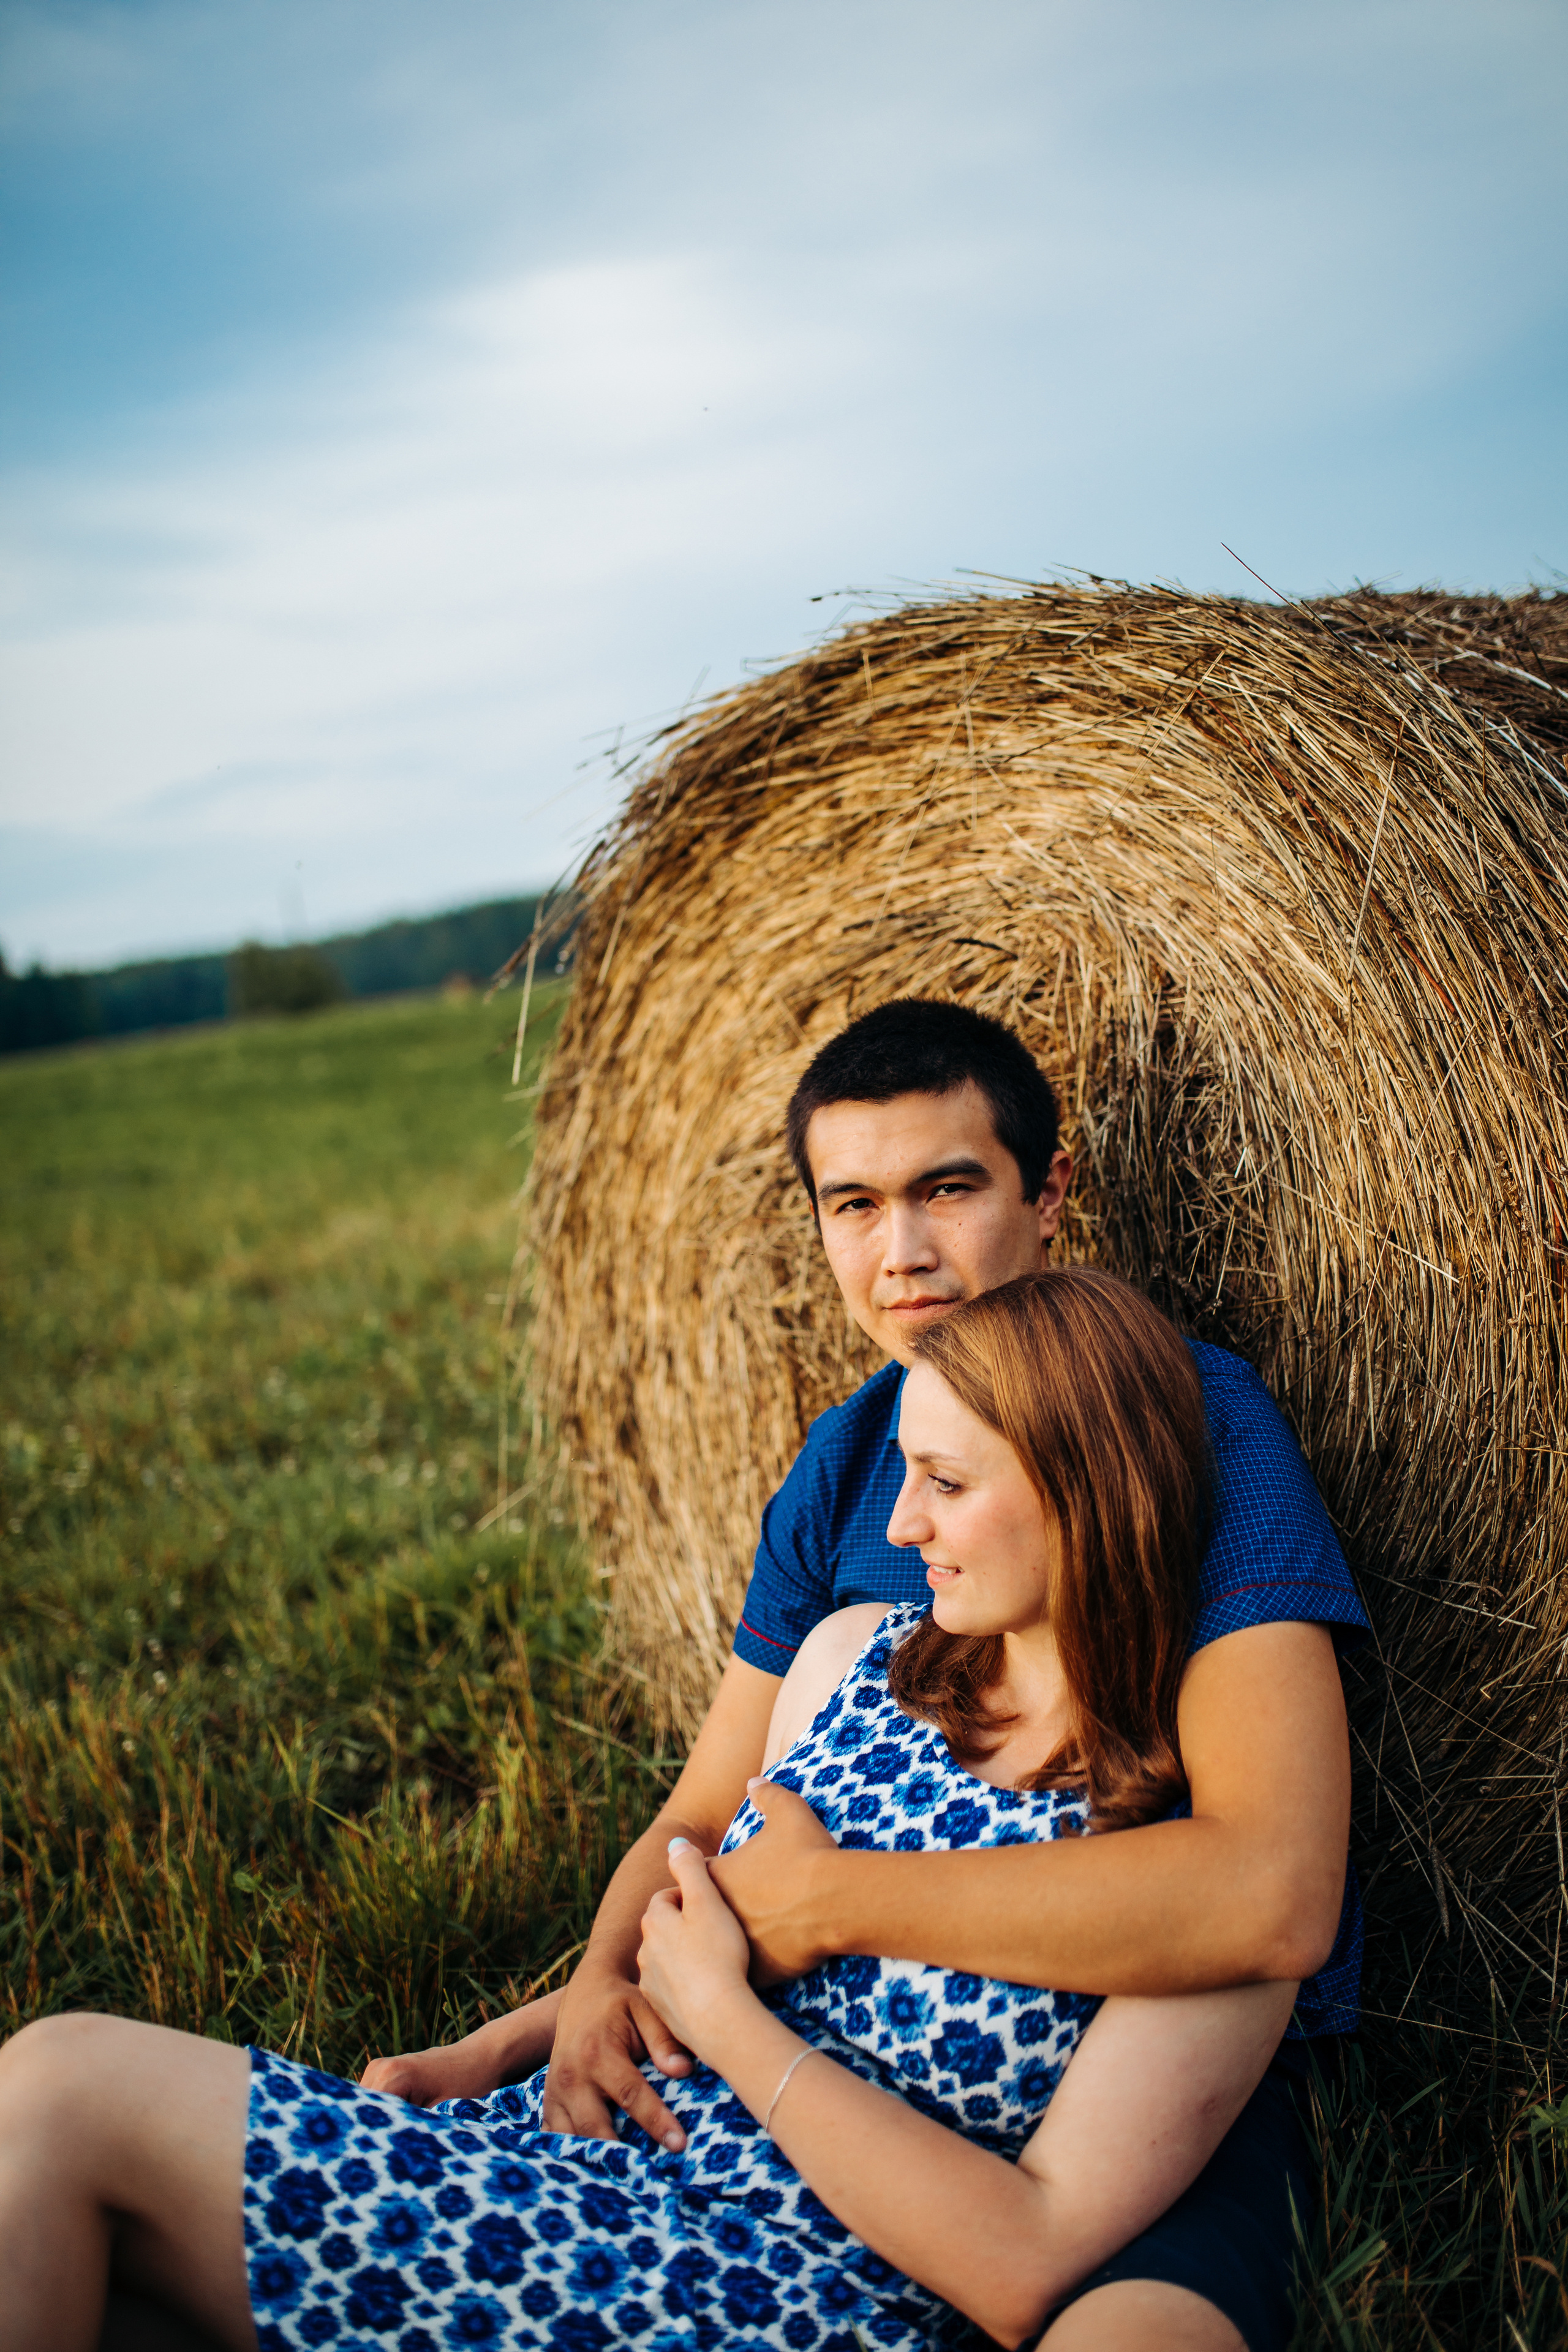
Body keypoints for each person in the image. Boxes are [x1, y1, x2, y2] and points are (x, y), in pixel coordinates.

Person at [1, 1270, 1311, 2352]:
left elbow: (1022, 2262)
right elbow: (704, 1927)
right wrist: (526, 2036)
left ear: (1087, 1489)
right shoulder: (859, 1661)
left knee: (66, 2102)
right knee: (59, 2147)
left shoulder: (1182, 1877)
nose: (901, 1520)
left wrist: (737, 2026)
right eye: (902, 1473)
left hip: (758, 2292)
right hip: (573, 2167)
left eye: (947, 1484)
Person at [366, 998, 1367, 2350]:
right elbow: (702, 1813)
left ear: (1047, 1191)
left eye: (946, 1188)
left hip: (1136, 2057)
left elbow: (1263, 1894)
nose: (900, 1254)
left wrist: (829, 1906)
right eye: (851, 1204)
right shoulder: (842, 1473)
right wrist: (592, 1993)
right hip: (816, 2044)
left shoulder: (1177, 1430)